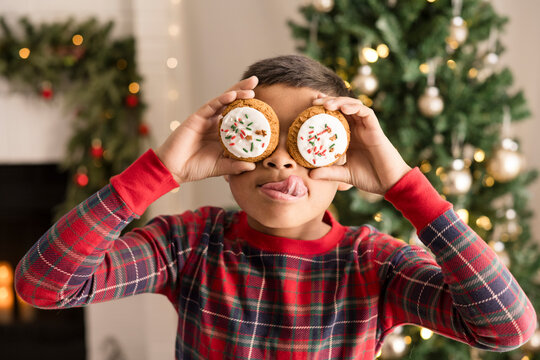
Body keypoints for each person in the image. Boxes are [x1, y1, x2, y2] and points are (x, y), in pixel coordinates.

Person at [15, 55, 536, 359]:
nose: (284, 163)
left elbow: (506, 328)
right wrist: (159, 173)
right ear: (228, 147)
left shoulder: (377, 264)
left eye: (306, 145)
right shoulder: (189, 244)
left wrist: (403, 187)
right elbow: (45, 285)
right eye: (260, 142)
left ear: (344, 157)